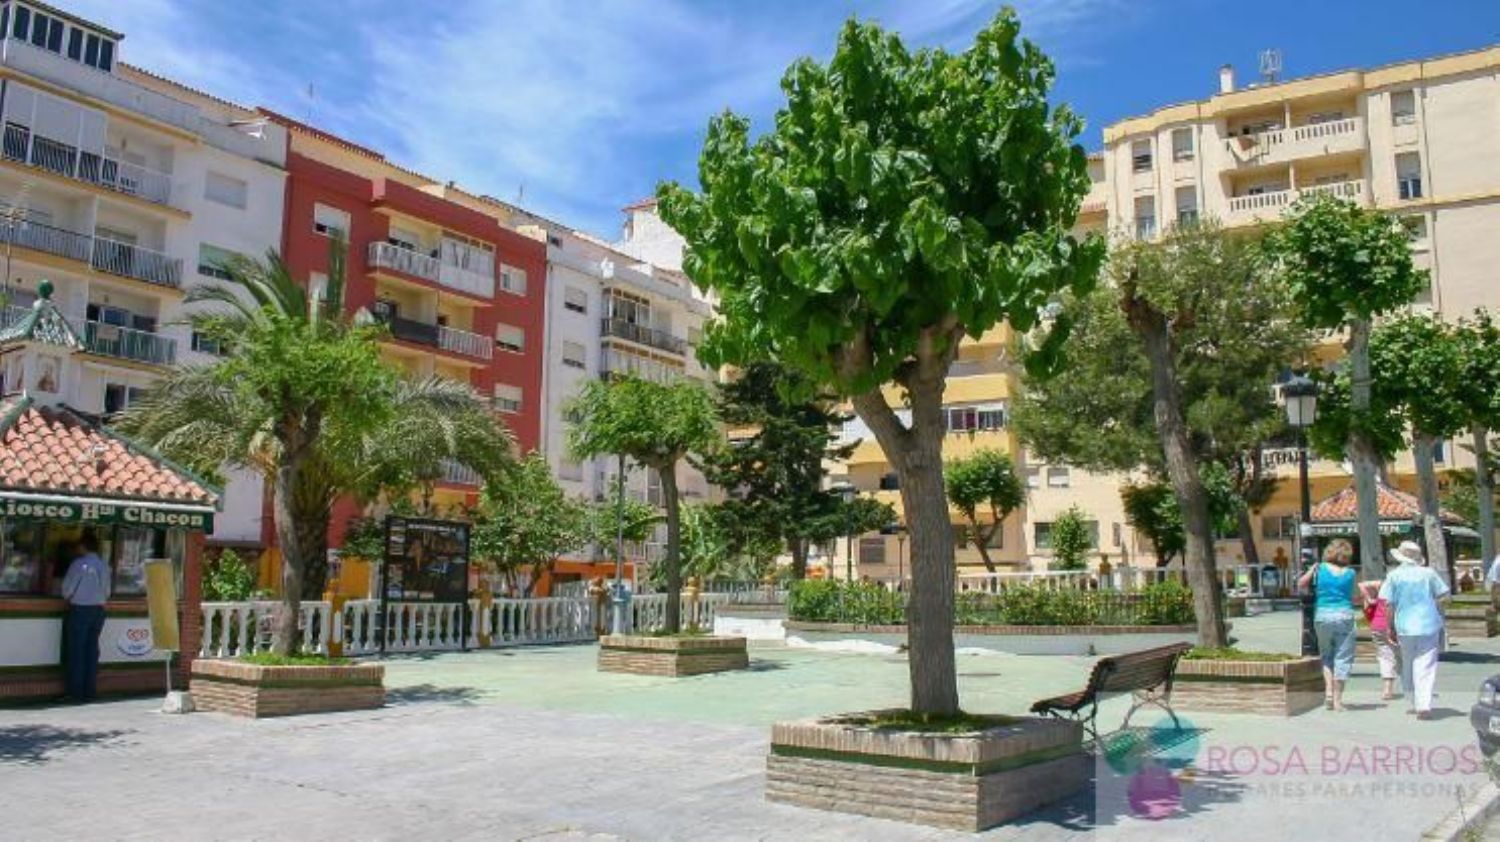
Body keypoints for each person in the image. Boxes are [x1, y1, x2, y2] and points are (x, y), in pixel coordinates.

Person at [1380, 539, 1451, 719]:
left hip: (1405, 625)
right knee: (1426, 664)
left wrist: (1389, 626)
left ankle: (1413, 698)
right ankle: (1423, 704)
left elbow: (1388, 603)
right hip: (1428, 623)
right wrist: (1434, 605)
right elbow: (1444, 595)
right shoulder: (1428, 573)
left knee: (1408, 662)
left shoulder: (1393, 576)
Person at [1297, 538, 1361, 711]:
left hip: (1323, 614)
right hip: (1345, 615)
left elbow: (1301, 583)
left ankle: (1328, 694)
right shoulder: (1351, 573)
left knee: (1326, 655)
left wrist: (1312, 570)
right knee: (1343, 657)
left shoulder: (1320, 568)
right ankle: (1338, 701)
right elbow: (1354, 596)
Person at [61, 531, 110, 702]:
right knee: (91, 650)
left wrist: (67, 597)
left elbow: (68, 588)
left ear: (83, 546)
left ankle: (75, 692)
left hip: (80, 609)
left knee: (77, 651)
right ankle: (90, 691)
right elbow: (107, 590)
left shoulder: (79, 564)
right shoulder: (103, 565)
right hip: (98, 610)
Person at [1359, 577, 1400, 701]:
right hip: (1396, 625)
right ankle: (1411, 686)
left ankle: (1387, 689)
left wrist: (1369, 599)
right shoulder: (1401, 590)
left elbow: (1362, 584)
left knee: (1385, 656)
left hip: (1378, 624)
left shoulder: (1383, 588)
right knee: (1400, 656)